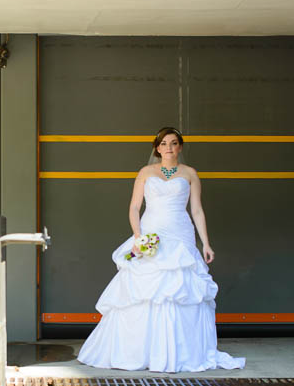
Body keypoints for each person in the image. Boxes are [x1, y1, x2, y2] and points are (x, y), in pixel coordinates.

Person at [77, 127, 245, 373]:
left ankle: (179, 353)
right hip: (151, 233)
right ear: (157, 148)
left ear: (180, 147)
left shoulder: (190, 174)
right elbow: (134, 207)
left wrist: (205, 242)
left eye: (174, 143)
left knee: (181, 289)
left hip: (180, 234)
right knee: (144, 290)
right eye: (164, 143)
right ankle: (141, 352)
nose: (169, 147)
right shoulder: (146, 172)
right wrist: (138, 237)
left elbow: (197, 210)